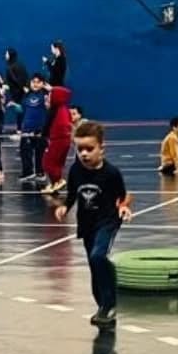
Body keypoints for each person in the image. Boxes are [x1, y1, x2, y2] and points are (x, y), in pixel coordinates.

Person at [53, 118, 132, 327]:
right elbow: (72, 194)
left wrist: (124, 207)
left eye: (89, 149)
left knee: (98, 256)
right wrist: (64, 207)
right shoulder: (75, 171)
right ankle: (102, 305)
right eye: (80, 149)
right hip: (87, 224)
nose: (84, 154)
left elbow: (124, 196)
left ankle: (109, 304)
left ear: (101, 148)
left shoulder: (111, 173)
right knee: (94, 264)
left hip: (107, 221)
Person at [41, 83, 75, 193]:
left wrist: (45, 136)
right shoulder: (63, 109)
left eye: (51, 95)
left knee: (48, 162)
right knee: (57, 163)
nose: (49, 97)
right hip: (62, 140)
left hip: (58, 140)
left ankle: (57, 181)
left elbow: (52, 125)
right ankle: (54, 183)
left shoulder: (57, 110)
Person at [18, 75, 49, 185]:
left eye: (38, 82)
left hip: (40, 129)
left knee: (40, 152)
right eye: (33, 81)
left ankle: (40, 173)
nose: (35, 84)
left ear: (43, 84)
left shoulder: (46, 95)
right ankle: (28, 173)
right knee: (25, 151)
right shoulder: (26, 95)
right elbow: (23, 110)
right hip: (27, 129)